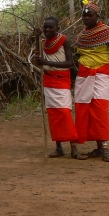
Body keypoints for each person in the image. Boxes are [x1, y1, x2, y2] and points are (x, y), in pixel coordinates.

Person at [75, 0, 109, 161]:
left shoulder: (105, 31)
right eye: (84, 15)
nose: (86, 18)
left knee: (100, 109)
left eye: (90, 15)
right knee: (85, 109)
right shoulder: (82, 34)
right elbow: (78, 54)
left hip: (101, 74)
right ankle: (98, 147)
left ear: (97, 16)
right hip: (84, 74)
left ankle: (105, 147)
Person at [33, 17, 79, 158]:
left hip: (61, 80)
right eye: (45, 27)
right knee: (53, 115)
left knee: (65, 113)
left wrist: (49, 62)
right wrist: (36, 38)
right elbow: (38, 58)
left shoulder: (64, 40)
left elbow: (69, 63)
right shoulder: (42, 43)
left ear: (57, 29)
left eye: (50, 27)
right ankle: (59, 147)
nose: (47, 30)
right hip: (48, 81)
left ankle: (73, 147)